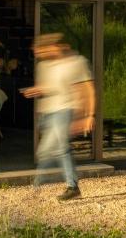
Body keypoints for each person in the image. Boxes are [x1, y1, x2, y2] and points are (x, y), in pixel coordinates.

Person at [22, 33, 95, 201]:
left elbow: (88, 90)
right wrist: (37, 90)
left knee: (60, 148)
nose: (39, 55)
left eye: (41, 50)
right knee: (45, 151)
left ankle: (69, 186)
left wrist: (88, 115)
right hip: (48, 112)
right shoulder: (44, 66)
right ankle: (40, 186)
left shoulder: (76, 63)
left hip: (65, 109)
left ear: (53, 47)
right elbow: (49, 87)